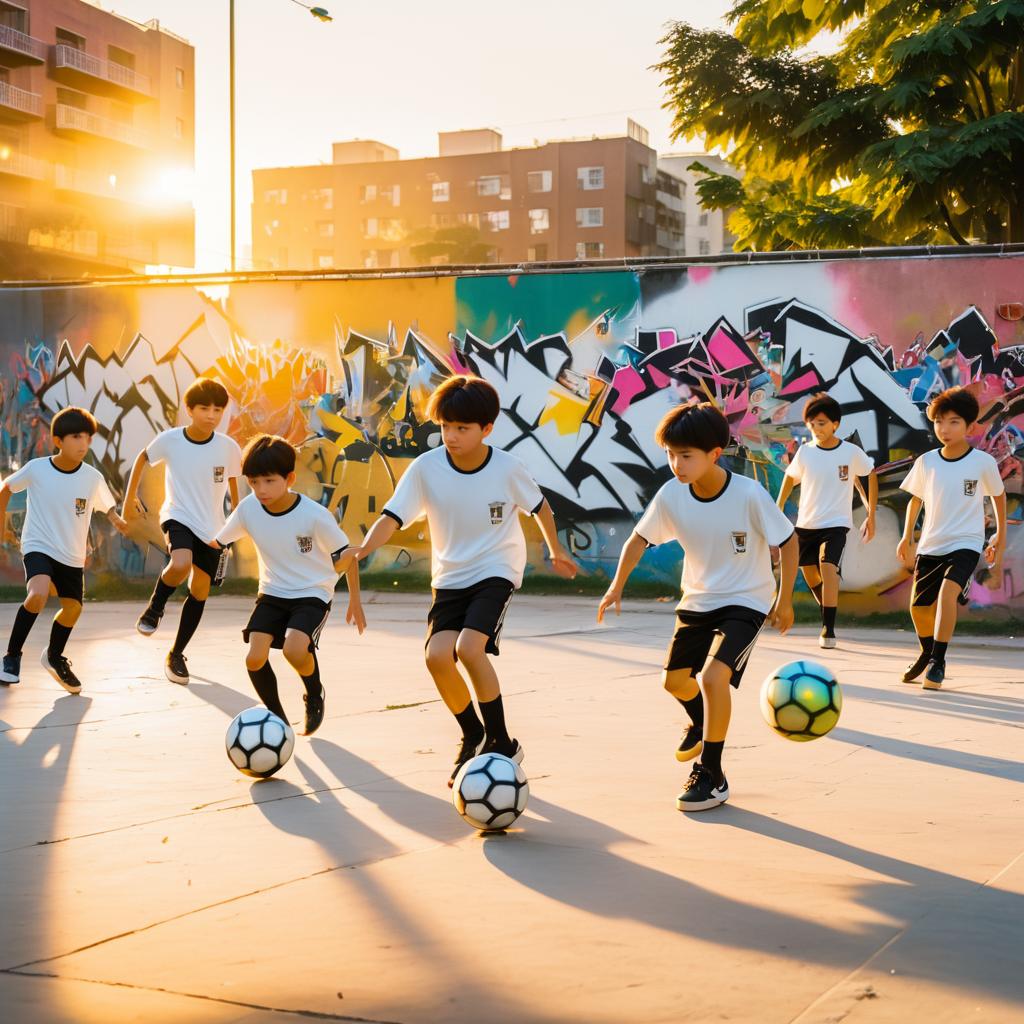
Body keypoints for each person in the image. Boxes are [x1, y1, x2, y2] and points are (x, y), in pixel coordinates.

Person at [352, 375, 577, 787]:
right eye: (445, 427)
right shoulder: (426, 468)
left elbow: (540, 508)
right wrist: (362, 549)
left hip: (496, 569)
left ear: (486, 429)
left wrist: (555, 548)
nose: (451, 436)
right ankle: (473, 734)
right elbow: (392, 516)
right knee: (437, 657)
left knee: (469, 648)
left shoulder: (507, 467)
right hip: (450, 576)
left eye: (462, 428)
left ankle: (501, 740)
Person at [598, 401, 797, 812]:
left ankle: (712, 773)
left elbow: (789, 540)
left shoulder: (748, 494)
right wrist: (617, 585)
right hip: (699, 599)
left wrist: (785, 598)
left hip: (747, 598)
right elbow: (639, 539)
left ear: (714, 454)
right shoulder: (672, 494)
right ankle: (701, 722)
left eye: (685, 455)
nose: (676, 464)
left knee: (712, 678)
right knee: (674, 682)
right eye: (670, 454)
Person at [214, 433, 364, 735]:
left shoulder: (315, 516)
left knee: (295, 649)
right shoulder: (247, 509)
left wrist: (355, 602)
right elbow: (217, 542)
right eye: (253, 482)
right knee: (255, 658)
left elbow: (349, 555)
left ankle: (314, 693)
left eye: (269, 481)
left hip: (313, 591)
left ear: (290, 478)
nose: (260, 490)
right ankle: (278, 719)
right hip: (272, 592)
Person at [122, 377, 242, 685]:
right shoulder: (171, 440)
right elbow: (142, 459)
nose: (212, 415)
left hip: (213, 527)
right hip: (178, 516)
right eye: (204, 408)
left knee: (199, 590)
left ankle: (176, 654)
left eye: (218, 409)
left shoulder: (228, 448)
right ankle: (155, 607)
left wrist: (237, 523)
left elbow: (234, 486)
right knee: (180, 563)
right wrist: (129, 500)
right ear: (189, 409)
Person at [0, 407, 128, 692]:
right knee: (38, 594)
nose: (83, 443)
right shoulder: (37, 469)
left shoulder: (92, 477)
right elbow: (6, 488)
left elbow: (106, 505)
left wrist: (118, 520)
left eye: (87, 437)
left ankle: (55, 657)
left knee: (72, 609)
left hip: (70, 554)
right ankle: (11, 657)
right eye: (75, 436)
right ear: (58, 440)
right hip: (39, 545)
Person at [896, 386, 1005, 689]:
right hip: (931, 543)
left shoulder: (982, 462)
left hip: (967, 543)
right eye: (939, 421)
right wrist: (906, 536)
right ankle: (927, 651)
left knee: (947, 594)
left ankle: (937, 662)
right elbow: (915, 500)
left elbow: (998, 496)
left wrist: (998, 535)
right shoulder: (927, 461)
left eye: (954, 422)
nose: (945, 429)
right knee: (918, 607)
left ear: (970, 427)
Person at [776, 393, 877, 649]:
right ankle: (827, 609)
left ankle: (828, 629)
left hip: (836, 524)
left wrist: (871, 513)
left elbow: (867, 476)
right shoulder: (805, 453)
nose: (816, 429)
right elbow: (790, 479)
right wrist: (777, 508)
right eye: (812, 424)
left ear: (835, 424)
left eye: (821, 423)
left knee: (828, 566)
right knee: (810, 574)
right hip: (806, 525)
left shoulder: (850, 452)